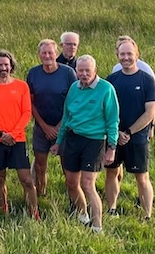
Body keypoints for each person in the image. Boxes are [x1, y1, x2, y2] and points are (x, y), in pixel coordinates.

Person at [51, 55, 119, 233]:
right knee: (72, 182)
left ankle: (97, 227)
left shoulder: (106, 89)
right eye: (80, 70)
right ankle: (83, 216)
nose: (83, 74)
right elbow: (66, 117)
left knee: (88, 184)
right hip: (73, 139)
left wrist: (111, 148)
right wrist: (58, 142)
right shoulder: (74, 87)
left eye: (87, 70)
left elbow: (113, 121)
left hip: (95, 140)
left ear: (95, 70)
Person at [105, 39, 155, 220]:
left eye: (130, 54)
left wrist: (129, 132)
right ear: (117, 56)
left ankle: (146, 216)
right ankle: (111, 209)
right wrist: (116, 133)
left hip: (136, 138)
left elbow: (150, 111)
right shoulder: (111, 81)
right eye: (122, 54)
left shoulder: (147, 81)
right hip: (114, 136)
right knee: (112, 172)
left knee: (141, 177)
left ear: (137, 54)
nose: (126, 57)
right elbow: (105, 108)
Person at [0, 50, 39, 219]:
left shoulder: (21, 86)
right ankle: (2, 211)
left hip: (17, 140)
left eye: (6, 64)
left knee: (26, 180)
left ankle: (34, 213)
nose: (3, 68)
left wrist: (13, 134)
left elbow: (26, 112)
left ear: (11, 66)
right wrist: (0, 134)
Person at [26, 39, 77, 196]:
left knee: (67, 166)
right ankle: (41, 195)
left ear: (56, 54)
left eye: (50, 52)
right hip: (41, 127)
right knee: (40, 165)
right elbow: (30, 102)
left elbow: (73, 102)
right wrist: (44, 126)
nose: (47, 55)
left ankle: (73, 197)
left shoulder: (68, 73)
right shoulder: (33, 73)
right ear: (39, 55)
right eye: (44, 53)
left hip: (65, 127)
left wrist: (59, 127)